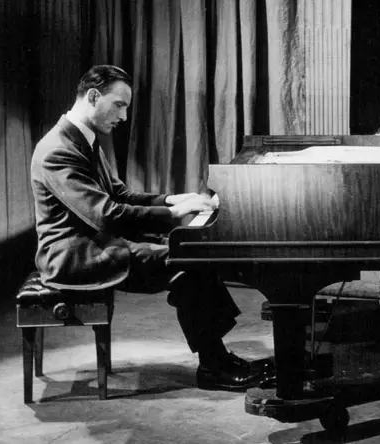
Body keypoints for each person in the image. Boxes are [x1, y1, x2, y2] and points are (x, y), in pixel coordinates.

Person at [30, 64, 273, 391]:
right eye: (119, 105)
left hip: (96, 244)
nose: (124, 116)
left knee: (190, 261)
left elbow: (120, 194)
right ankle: (214, 367)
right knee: (187, 263)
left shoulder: (83, 139)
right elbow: (107, 214)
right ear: (92, 96)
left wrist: (174, 199)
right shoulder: (58, 150)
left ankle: (218, 361)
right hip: (75, 257)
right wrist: (176, 214)